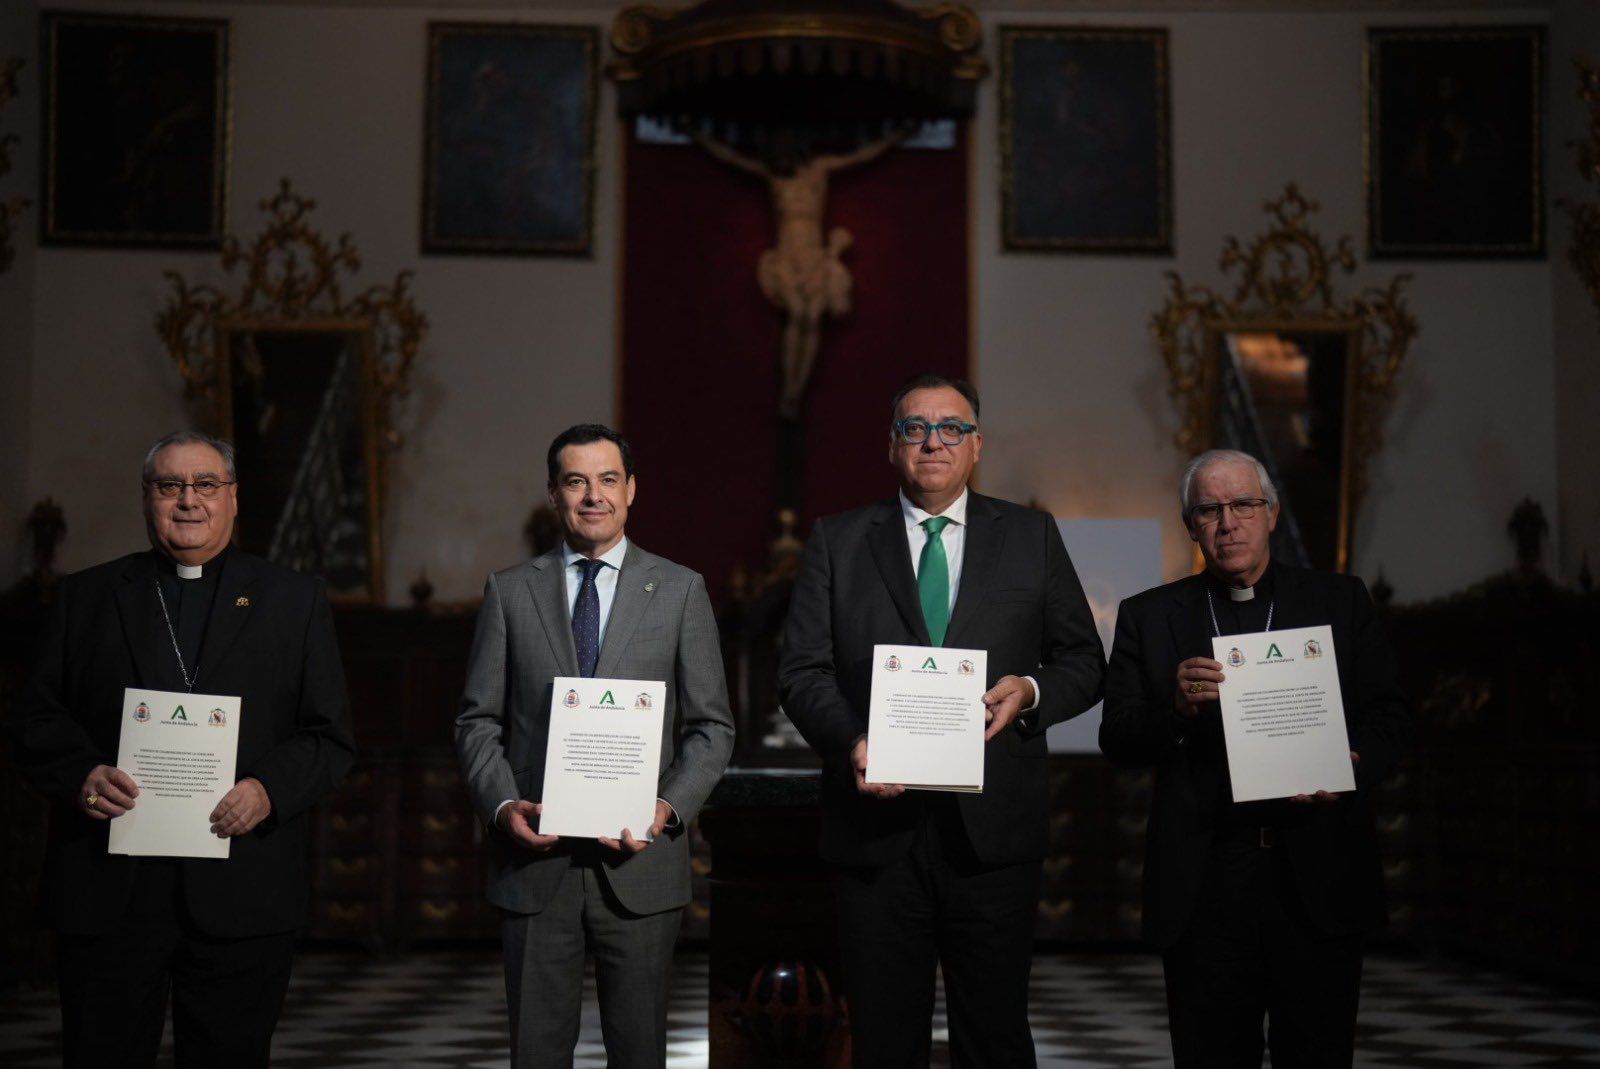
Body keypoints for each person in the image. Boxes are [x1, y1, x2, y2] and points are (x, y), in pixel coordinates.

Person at [778, 374, 1106, 1067]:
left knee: (994, 1036)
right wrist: (852, 740)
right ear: (892, 445)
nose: (933, 441)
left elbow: (1083, 658)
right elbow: (801, 669)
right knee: (884, 1039)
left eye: (951, 427)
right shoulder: (838, 540)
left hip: (992, 833)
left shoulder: (1030, 535)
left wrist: (1031, 690)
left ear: (977, 444)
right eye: (915, 427)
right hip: (876, 834)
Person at [8, 429, 356, 1068]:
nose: (188, 501)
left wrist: (268, 790)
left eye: (205, 485)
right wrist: (81, 773)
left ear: (233, 499)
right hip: (110, 891)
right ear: (147, 499)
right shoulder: (85, 598)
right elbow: (34, 718)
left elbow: (329, 737)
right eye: (170, 486)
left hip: (241, 885)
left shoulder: (292, 600)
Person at [1099, 448, 1412, 1068]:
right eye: (1209, 509)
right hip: (1207, 877)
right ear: (1190, 525)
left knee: (1318, 1054)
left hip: (1316, 871)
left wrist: (1347, 766)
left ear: (1271, 513)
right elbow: (1119, 737)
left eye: (1244, 505)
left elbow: (1391, 719)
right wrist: (1177, 714)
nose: (1228, 523)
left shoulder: (1338, 600)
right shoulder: (1150, 616)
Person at [455, 423, 735, 1069]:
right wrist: (501, 807)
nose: (593, 495)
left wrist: (667, 806)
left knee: (639, 1053)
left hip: (638, 866)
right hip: (534, 864)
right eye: (576, 480)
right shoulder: (509, 590)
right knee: (536, 1053)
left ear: (631, 490)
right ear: (553, 493)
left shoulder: (679, 590)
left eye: (608, 479)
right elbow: (477, 720)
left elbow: (712, 726)